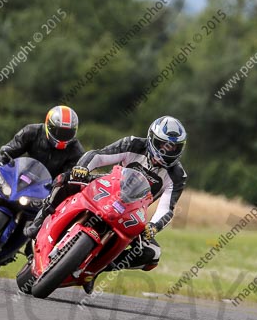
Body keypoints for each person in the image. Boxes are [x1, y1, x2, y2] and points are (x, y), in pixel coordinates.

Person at [24, 116, 187, 293]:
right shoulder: (133, 144)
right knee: (65, 180)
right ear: (152, 139)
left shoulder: (178, 175)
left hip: (133, 210)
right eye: (163, 144)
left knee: (152, 254)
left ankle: (96, 269)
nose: (166, 151)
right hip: (107, 187)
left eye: (173, 147)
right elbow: (99, 156)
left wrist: (154, 227)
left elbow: (167, 208)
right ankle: (39, 222)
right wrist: (83, 168)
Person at [0, 106, 84, 233]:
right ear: (48, 125)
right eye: (58, 131)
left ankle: (32, 242)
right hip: (21, 175)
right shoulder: (32, 131)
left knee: (51, 212)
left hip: (47, 188)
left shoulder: (76, 151)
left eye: (67, 133)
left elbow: (71, 174)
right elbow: (9, 149)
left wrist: (62, 185)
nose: (62, 136)